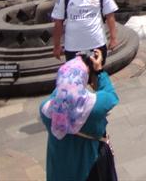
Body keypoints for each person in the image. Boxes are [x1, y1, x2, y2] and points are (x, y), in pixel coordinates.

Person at [40, 49, 119, 181]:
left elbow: (60, 92)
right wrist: (99, 70)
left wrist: (66, 79)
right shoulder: (93, 108)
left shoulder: (46, 110)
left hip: (60, 171)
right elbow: (110, 95)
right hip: (91, 169)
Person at [52, 0, 118, 65]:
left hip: (96, 43)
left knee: (97, 74)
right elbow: (58, 22)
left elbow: (110, 15)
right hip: (73, 47)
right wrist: (56, 46)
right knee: (76, 77)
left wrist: (113, 38)